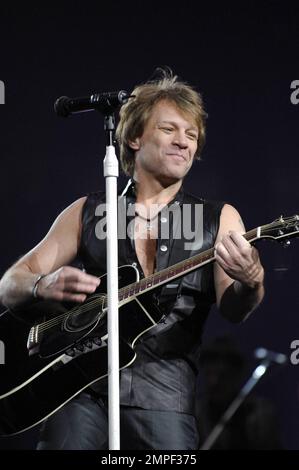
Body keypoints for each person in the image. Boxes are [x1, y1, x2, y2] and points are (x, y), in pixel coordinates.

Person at [0, 69, 265, 450]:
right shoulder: (89, 211)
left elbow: (235, 308)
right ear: (134, 137)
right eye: (170, 130)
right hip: (79, 391)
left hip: (164, 398)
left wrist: (251, 279)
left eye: (192, 135)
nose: (183, 143)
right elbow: (10, 284)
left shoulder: (218, 219)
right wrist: (42, 284)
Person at [196, 335, 282, 449]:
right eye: (210, 374)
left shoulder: (258, 414)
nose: (215, 383)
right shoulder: (195, 413)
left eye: (223, 376)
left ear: (237, 375)